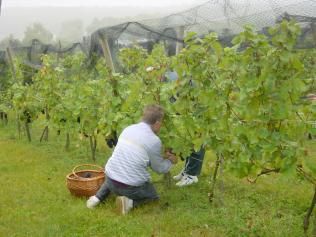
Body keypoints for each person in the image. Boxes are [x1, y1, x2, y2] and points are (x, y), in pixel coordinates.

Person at [86, 105, 178, 214]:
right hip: (129, 187)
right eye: (161, 123)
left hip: (109, 178)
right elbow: (159, 169)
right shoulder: (154, 140)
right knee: (153, 196)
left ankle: (97, 198)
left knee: (115, 175)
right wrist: (171, 161)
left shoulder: (128, 129)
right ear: (157, 123)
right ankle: (128, 204)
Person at [165, 70, 206, 187]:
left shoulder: (172, 78)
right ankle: (187, 170)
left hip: (197, 107)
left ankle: (192, 175)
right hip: (188, 106)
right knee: (189, 138)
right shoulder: (165, 79)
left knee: (197, 140)